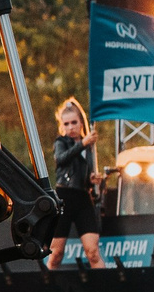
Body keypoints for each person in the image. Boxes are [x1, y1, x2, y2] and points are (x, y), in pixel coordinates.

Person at [44, 96, 108, 270]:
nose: (70, 127)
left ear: (81, 123)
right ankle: (49, 290)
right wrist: (82, 144)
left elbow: (83, 174)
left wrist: (91, 179)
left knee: (93, 251)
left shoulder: (90, 147)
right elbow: (61, 159)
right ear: (62, 125)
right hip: (64, 197)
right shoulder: (61, 142)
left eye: (74, 122)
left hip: (82, 198)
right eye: (66, 124)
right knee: (56, 254)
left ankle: (107, 289)